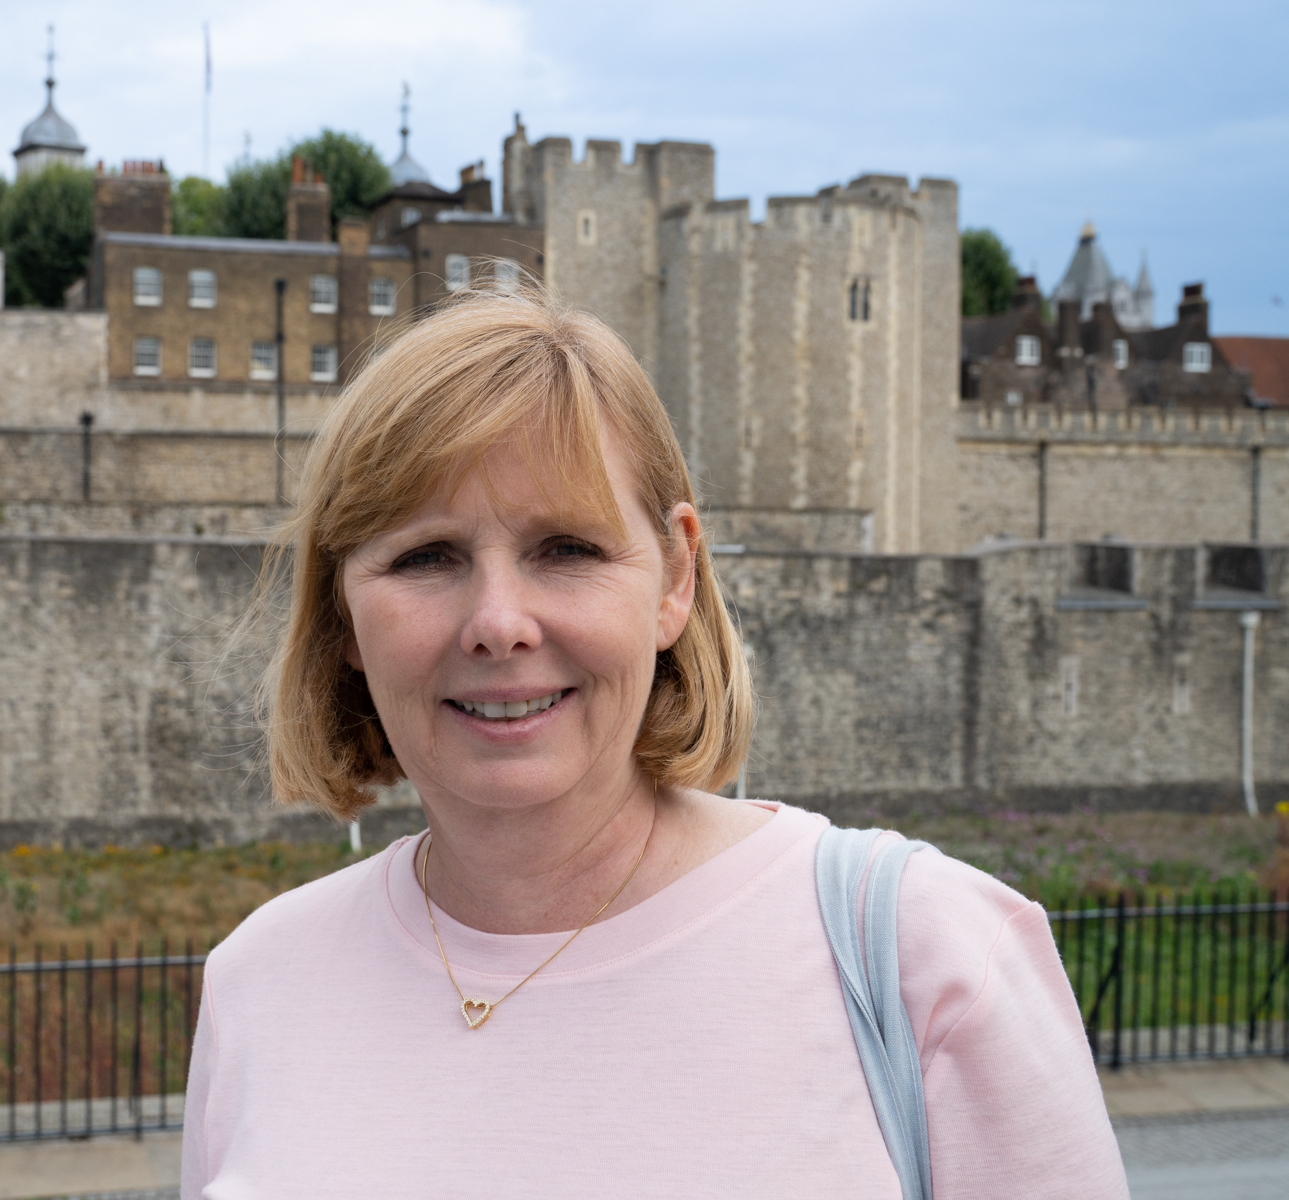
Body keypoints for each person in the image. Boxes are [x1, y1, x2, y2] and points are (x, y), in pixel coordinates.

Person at [180, 291, 1128, 1198]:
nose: (498, 623)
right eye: (426, 557)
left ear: (675, 577)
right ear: (344, 612)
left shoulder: (928, 960)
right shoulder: (259, 984)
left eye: (569, 550)